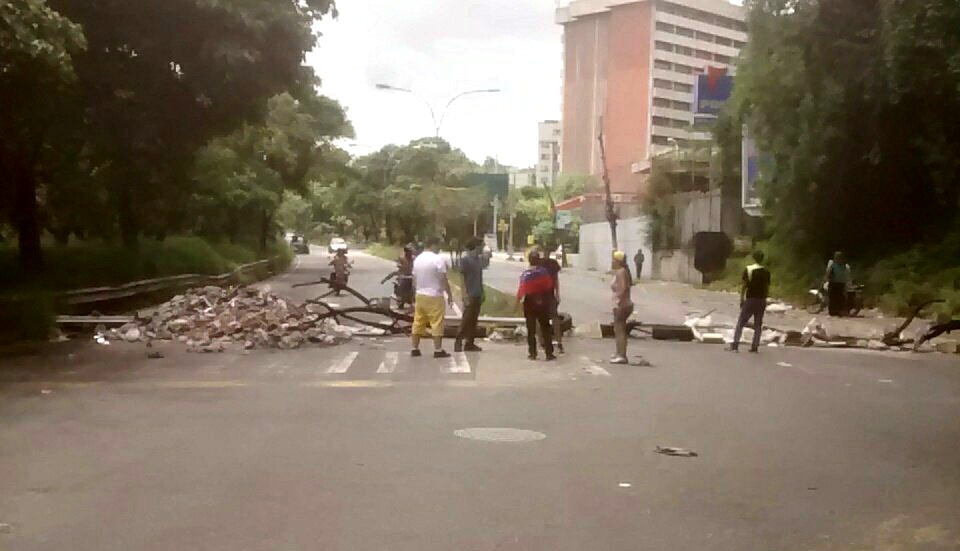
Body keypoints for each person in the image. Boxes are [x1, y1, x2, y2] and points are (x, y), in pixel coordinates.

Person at [411, 237, 454, 359]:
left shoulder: (418, 259)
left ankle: (415, 348)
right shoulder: (437, 259)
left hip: (420, 295)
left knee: (418, 321)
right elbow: (443, 279)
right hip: (434, 295)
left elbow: (414, 279)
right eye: (438, 245)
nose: (439, 248)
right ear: (433, 245)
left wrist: (415, 293)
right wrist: (449, 295)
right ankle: (438, 350)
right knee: (437, 323)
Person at [516, 250, 556, 361]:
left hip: (529, 304)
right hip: (543, 302)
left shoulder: (526, 274)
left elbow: (521, 292)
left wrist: (517, 304)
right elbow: (549, 286)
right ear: (539, 260)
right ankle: (549, 353)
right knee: (546, 328)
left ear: (529, 260)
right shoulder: (544, 272)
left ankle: (532, 353)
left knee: (531, 329)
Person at [729, 250, 771, 353]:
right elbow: (767, 287)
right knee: (758, 324)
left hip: (751, 299)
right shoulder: (766, 271)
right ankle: (755, 346)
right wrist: (765, 299)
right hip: (761, 300)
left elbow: (744, 285)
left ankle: (735, 345)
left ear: (753, 258)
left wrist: (741, 298)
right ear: (762, 259)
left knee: (741, 322)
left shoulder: (749, 269)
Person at [455, 238, 485, 353]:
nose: (483, 248)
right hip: (470, 293)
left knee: (474, 320)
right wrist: (464, 294)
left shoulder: (478, 260)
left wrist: (482, 292)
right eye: (481, 246)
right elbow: (462, 278)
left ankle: (470, 343)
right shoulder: (465, 260)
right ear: (476, 246)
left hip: (477, 292)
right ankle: (458, 340)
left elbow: (480, 278)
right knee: (466, 319)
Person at [610, 251, 634, 364]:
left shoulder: (621, 272)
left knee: (619, 331)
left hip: (622, 305)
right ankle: (619, 353)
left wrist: (618, 301)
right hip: (625, 304)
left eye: (613, 259)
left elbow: (623, 288)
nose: (612, 261)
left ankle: (621, 355)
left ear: (618, 261)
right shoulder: (622, 271)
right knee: (619, 330)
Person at [542, 249, 564, 354]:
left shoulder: (552, 264)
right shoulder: (539, 262)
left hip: (549, 294)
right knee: (540, 318)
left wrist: (557, 293)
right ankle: (541, 341)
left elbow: (556, 279)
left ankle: (558, 341)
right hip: (540, 294)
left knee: (554, 317)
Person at [380, 244, 415, 308]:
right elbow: (397, 266)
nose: (411, 253)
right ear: (406, 252)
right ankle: (400, 297)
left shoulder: (414, 258)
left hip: (412, 275)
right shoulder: (402, 258)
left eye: (411, 251)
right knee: (401, 283)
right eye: (410, 251)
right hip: (403, 275)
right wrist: (401, 266)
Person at [824, 251, 851, 317]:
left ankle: (834, 311)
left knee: (835, 297)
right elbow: (847, 274)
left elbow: (828, 272)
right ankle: (837, 311)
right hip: (838, 283)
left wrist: (827, 278)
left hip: (836, 283)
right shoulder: (843, 265)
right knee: (837, 297)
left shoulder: (833, 264)